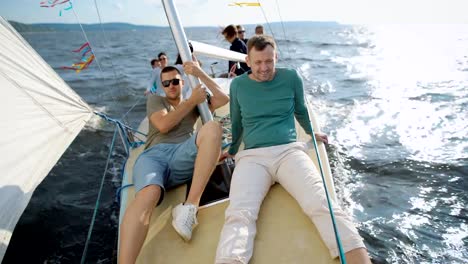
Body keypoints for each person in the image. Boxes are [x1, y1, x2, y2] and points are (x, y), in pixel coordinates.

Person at [215, 35, 371, 264]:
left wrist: (311, 133)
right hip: (252, 158)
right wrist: (233, 148)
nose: (264, 68)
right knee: (239, 214)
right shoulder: (238, 85)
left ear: (276, 57)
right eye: (258, 62)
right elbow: (237, 122)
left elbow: (301, 110)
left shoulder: (291, 77)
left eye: (269, 61)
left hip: (289, 152)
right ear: (247, 60)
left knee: (320, 202)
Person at [119, 62, 229, 263]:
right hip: (154, 156)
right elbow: (163, 125)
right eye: (166, 83)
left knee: (213, 127)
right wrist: (191, 101)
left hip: (182, 154)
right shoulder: (156, 100)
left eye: (175, 82)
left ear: (182, 82)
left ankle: (189, 207)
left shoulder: (195, 103)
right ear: (162, 86)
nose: (171, 86)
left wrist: (199, 73)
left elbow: (223, 98)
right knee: (149, 193)